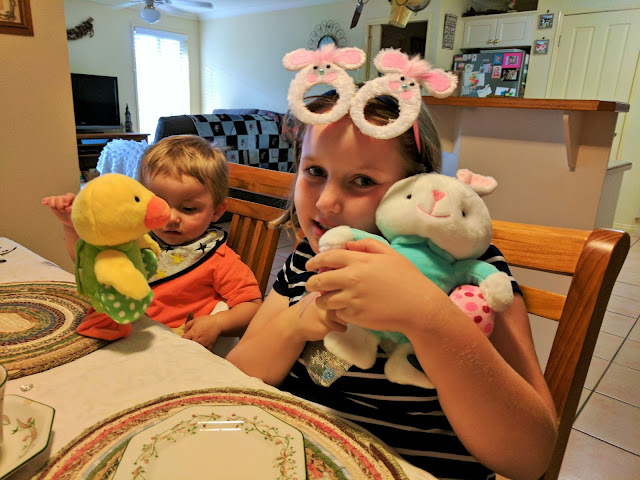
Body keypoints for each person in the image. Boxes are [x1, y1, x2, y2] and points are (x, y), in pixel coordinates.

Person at [226, 93, 558, 479]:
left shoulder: (470, 273)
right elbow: (238, 379)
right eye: (315, 171)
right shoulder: (307, 257)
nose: (327, 202)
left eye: (362, 181)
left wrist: (430, 316)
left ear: (418, 183)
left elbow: (531, 456)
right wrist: (297, 323)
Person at [42, 135, 262, 350]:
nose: (171, 218)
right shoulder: (135, 237)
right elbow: (87, 262)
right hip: (126, 336)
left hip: (173, 347)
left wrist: (218, 323)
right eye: (160, 204)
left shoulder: (218, 258)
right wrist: (71, 226)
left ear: (217, 211)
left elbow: (252, 306)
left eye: (188, 209)